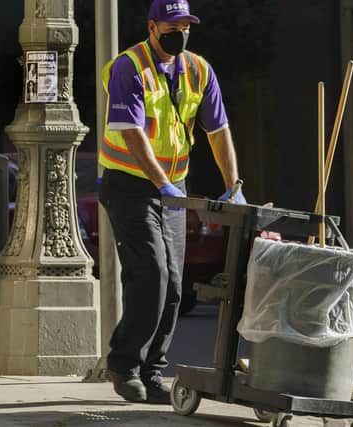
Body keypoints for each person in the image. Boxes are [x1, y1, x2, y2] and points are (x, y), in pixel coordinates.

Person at [98, 0, 246, 404]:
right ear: (152, 27)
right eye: (172, 24)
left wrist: (234, 185)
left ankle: (152, 371)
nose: (180, 31)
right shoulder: (129, 67)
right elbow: (131, 132)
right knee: (152, 275)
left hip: (171, 190)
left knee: (176, 286)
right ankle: (124, 364)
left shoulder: (199, 70)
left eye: (186, 24)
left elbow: (218, 130)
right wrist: (163, 184)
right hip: (130, 186)